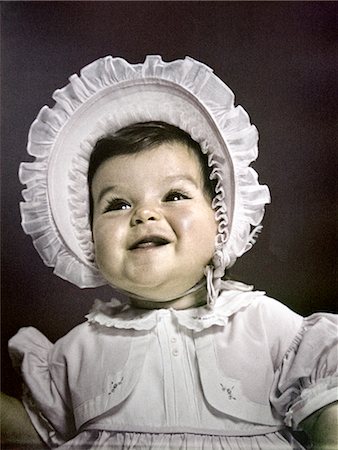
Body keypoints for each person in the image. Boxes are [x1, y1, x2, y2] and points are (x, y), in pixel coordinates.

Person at [1, 56, 337, 449]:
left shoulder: (267, 326)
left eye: (174, 195)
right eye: (117, 204)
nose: (144, 213)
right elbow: (29, 436)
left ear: (222, 217)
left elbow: (328, 407)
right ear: (86, 235)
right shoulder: (77, 350)